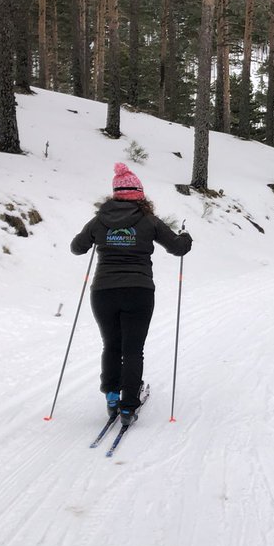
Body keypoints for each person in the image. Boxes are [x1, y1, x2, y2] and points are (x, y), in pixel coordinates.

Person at [70, 163, 192, 426]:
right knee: (133, 350)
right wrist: (186, 237)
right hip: (139, 291)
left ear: (115, 194)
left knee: (112, 345)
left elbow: (77, 248)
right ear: (139, 194)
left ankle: (112, 397)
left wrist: (97, 238)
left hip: (103, 292)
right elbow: (178, 248)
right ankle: (128, 407)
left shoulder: (100, 220)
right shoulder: (148, 220)